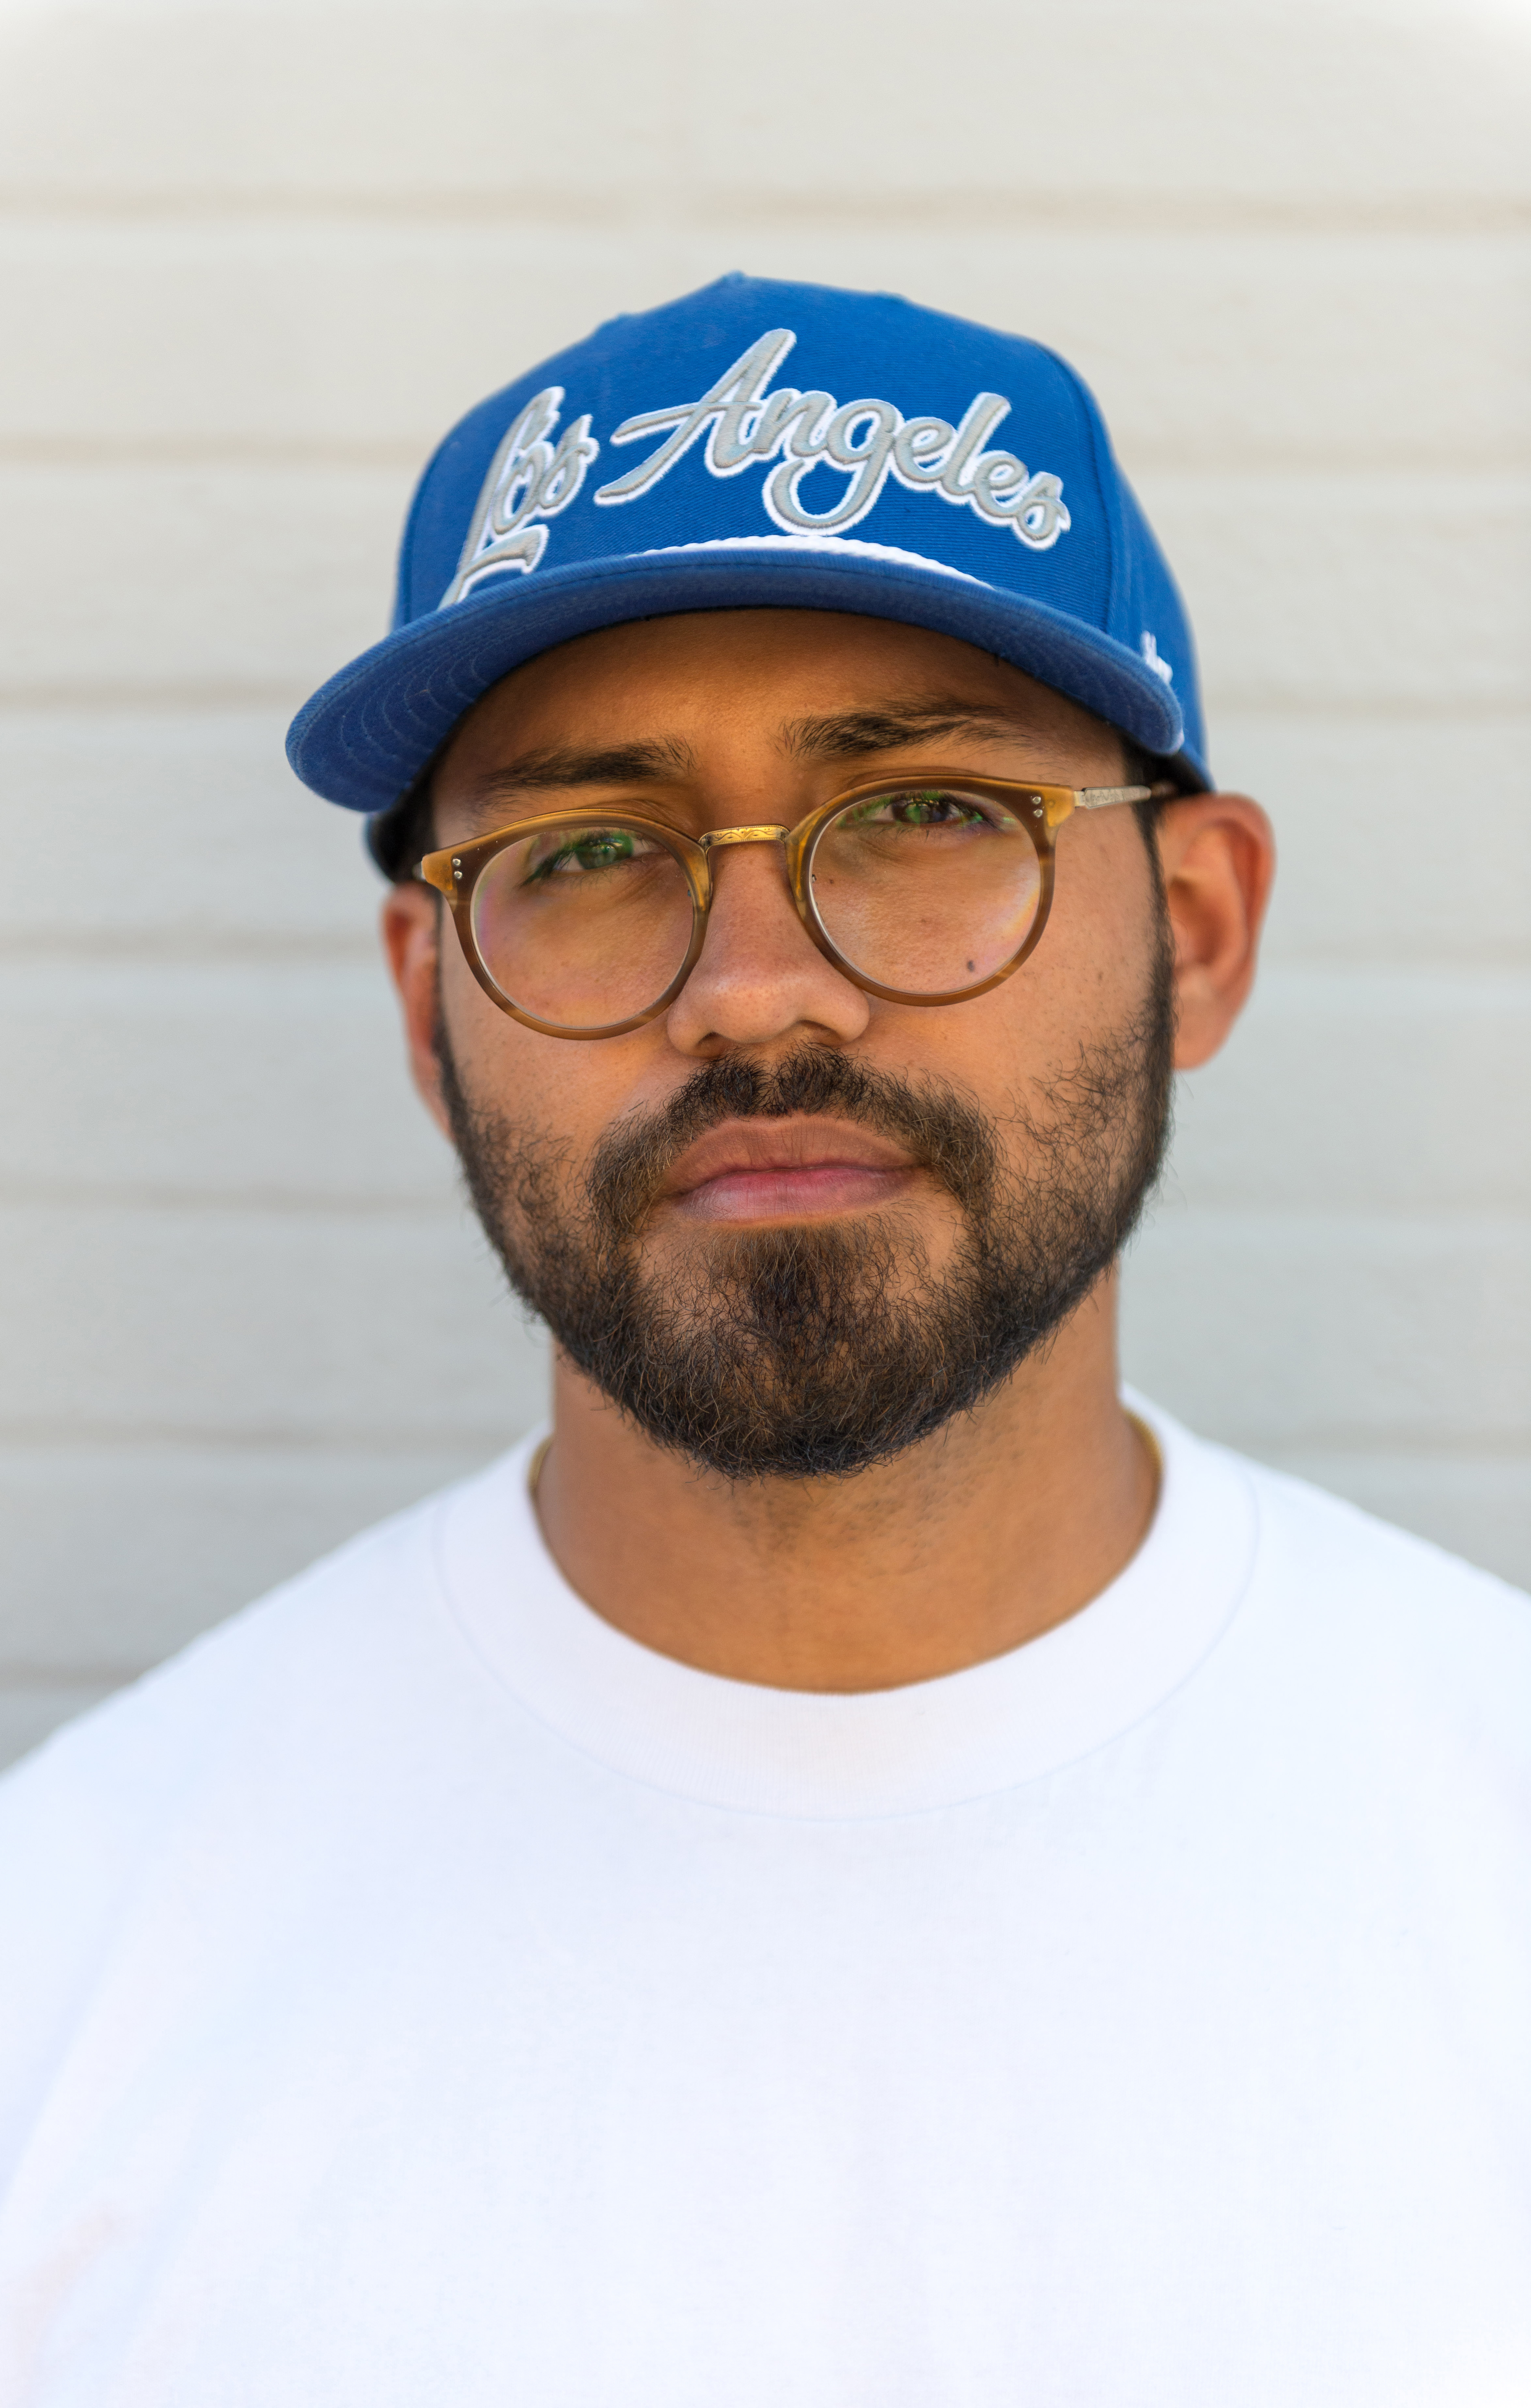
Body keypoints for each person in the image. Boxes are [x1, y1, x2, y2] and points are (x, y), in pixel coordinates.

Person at [1, 276, 1527, 2407]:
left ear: (1192, 934)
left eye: (919, 817)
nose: (753, 990)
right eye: (593, 850)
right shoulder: (66, 1970)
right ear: (428, 1010)